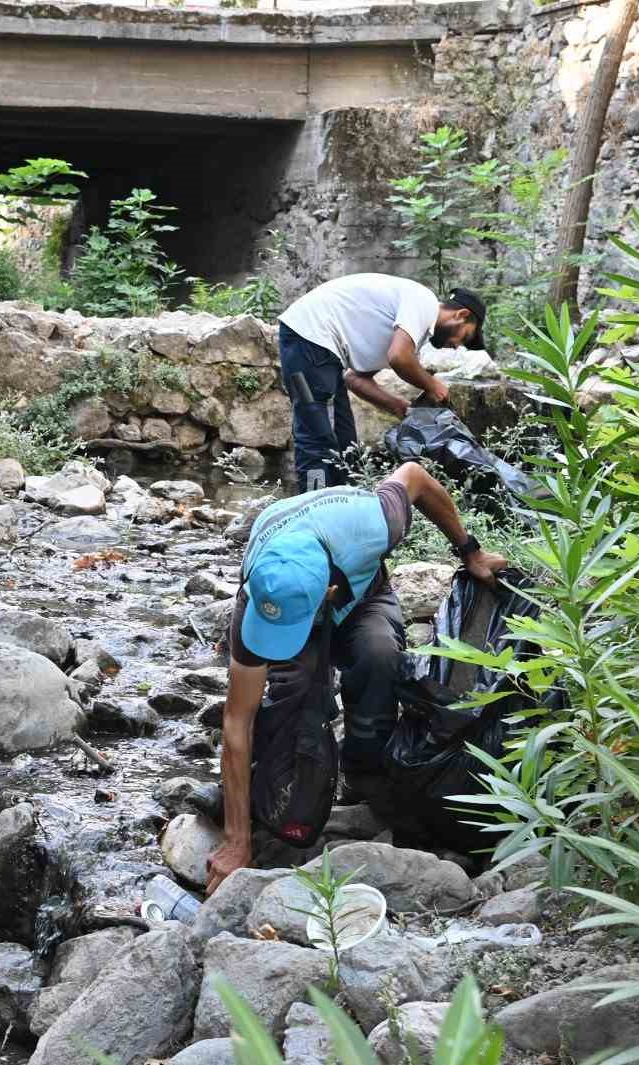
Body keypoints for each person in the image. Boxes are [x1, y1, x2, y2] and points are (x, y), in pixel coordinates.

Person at [203, 462, 507, 894]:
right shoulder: (260, 597)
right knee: (294, 695)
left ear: (327, 594)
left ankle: (364, 776)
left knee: (378, 656)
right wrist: (237, 840)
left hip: (363, 597)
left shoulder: (373, 523)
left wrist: (470, 551)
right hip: (296, 594)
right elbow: (237, 720)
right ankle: (261, 790)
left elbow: (415, 476)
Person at [277, 274, 487, 492]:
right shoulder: (424, 301)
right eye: (465, 337)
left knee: (346, 442)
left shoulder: (410, 332)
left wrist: (399, 407)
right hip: (306, 339)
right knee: (316, 436)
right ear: (461, 315)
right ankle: (314, 500)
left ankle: (342, 502)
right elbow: (399, 357)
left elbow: (354, 379)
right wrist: (432, 384)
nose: (457, 346)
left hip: (327, 354)